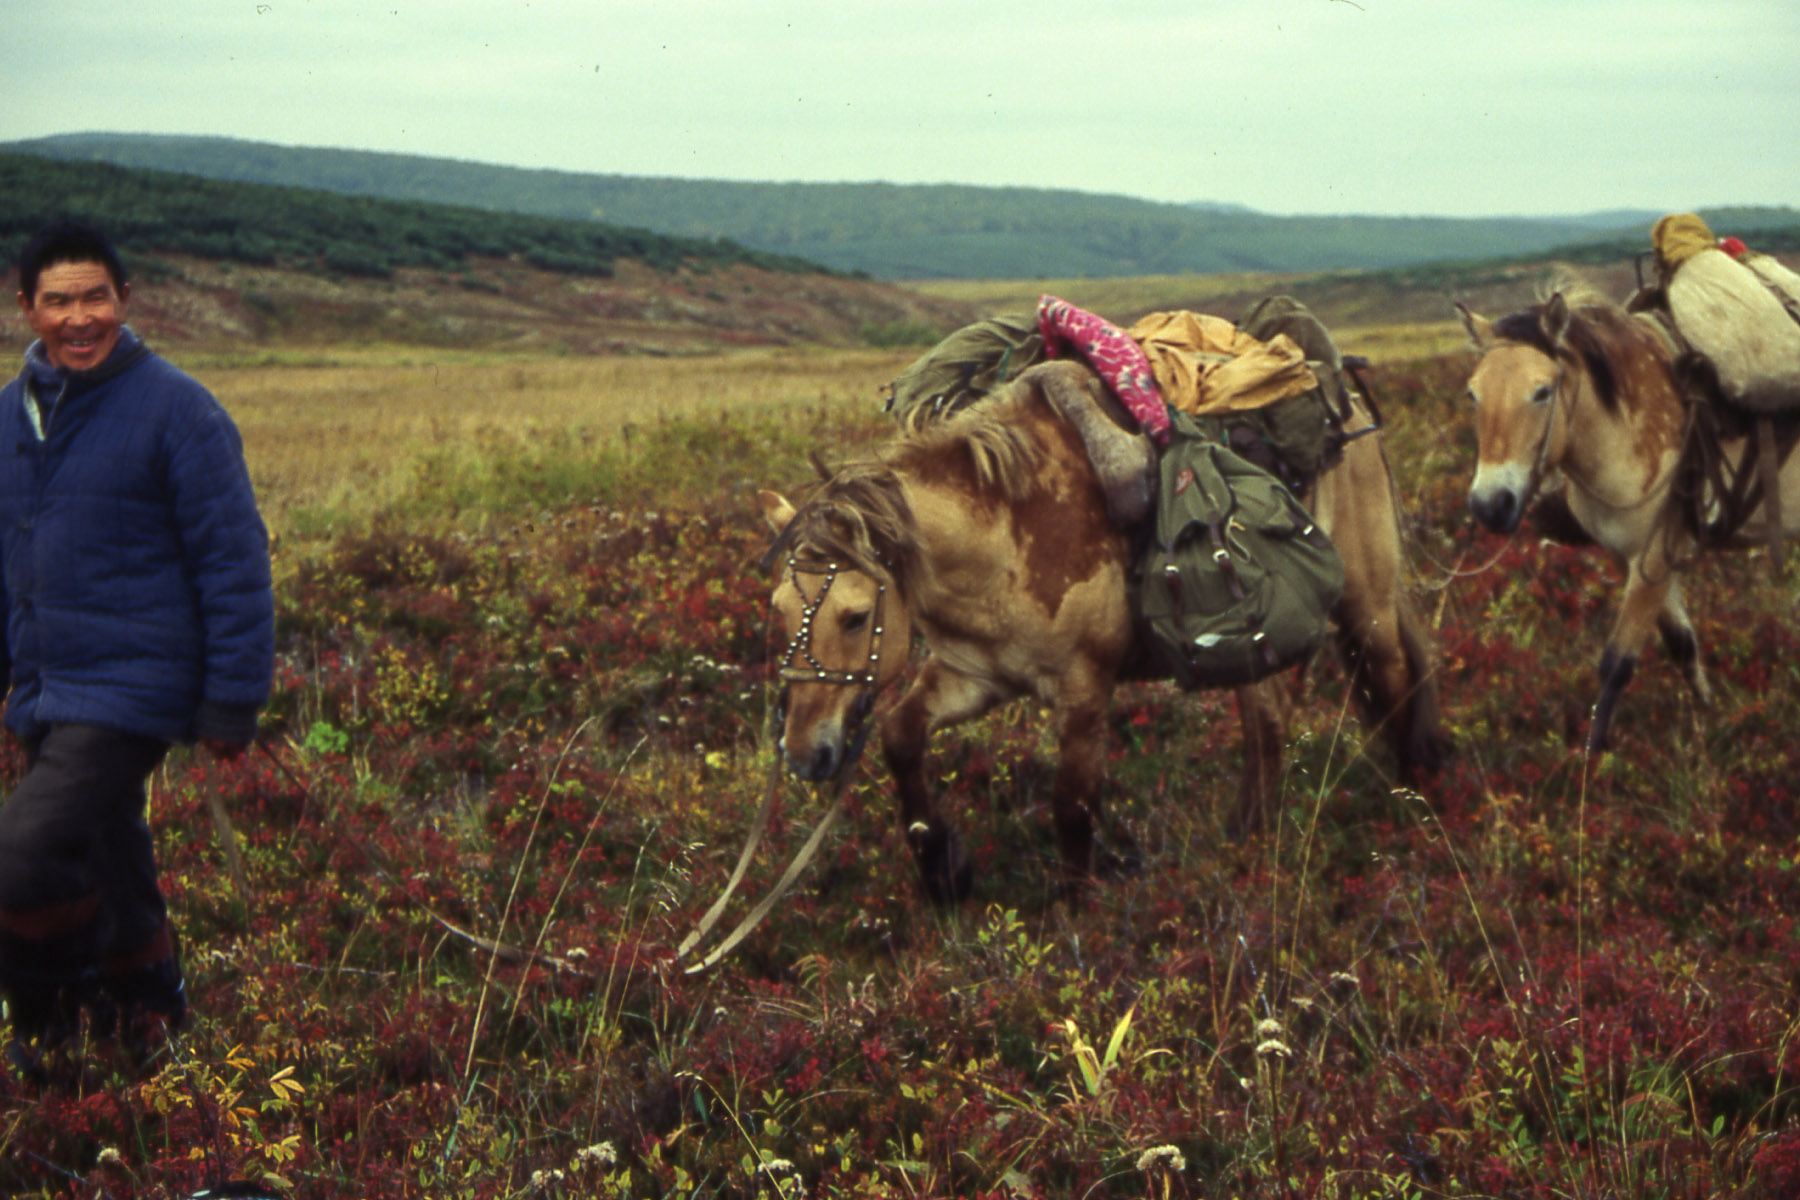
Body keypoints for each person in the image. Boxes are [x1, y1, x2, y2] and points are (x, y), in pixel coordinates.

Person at [0, 219, 274, 1080]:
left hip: (135, 685)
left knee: (23, 856)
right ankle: (150, 1007)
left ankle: (53, 1033)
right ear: (27, 307)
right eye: (59, 301)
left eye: (95, 297)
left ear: (124, 299)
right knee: (106, 845)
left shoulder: (178, 409)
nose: (79, 318)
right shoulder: (8, 415)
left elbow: (234, 560)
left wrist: (232, 700)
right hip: (46, 682)